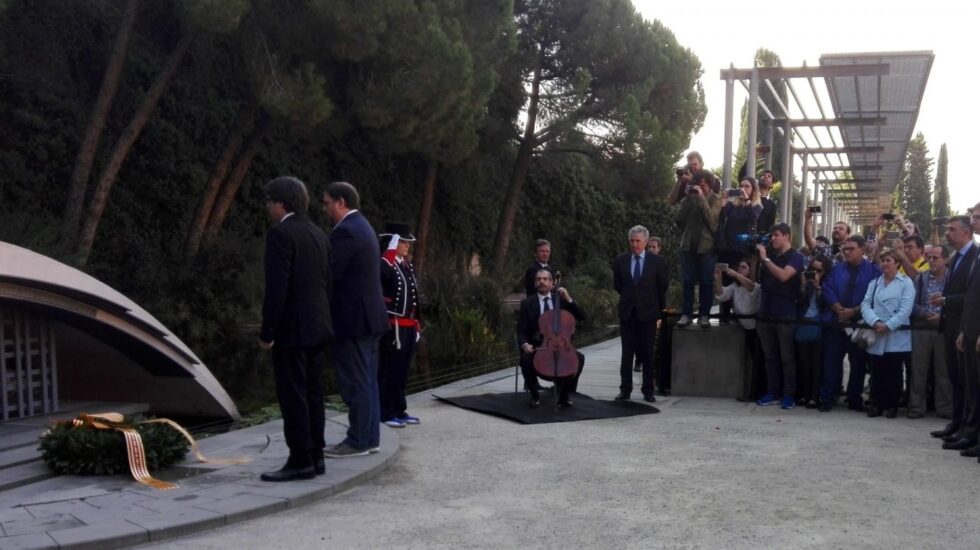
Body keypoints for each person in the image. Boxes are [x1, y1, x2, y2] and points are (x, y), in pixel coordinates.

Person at [257, 176, 333, 482]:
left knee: (293, 395)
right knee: (314, 393)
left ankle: (300, 459)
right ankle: (316, 456)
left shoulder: (280, 234)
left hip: (293, 328)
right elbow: (326, 282)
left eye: (269, 201)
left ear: (281, 203)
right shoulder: (318, 234)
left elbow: (277, 288)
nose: (267, 207)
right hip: (319, 326)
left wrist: (267, 331)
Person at [321, 181, 389, 458]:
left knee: (356, 382)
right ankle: (369, 437)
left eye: (326, 203)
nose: (324, 208)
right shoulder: (363, 226)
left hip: (354, 320)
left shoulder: (347, 232)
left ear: (340, 202)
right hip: (369, 319)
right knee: (368, 382)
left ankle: (358, 440)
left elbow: (329, 274)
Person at [930, 216, 979, 449]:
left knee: (968, 381)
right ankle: (957, 423)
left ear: (967, 233)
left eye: (952, 229)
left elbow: (973, 296)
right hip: (952, 327)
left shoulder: (974, 257)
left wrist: (947, 300)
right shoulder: (955, 258)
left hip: (966, 327)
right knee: (956, 378)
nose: (947, 233)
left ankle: (969, 429)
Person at [817, 235, 881, 412]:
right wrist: (839, 309)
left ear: (862, 249)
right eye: (845, 249)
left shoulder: (873, 271)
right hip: (836, 323)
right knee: (831, 362)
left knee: (858, 364)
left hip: (859, 324)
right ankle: (828, 397)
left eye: (851, 249)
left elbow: (875, 295)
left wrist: (853, 311)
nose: (847, 252)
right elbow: (827, 288)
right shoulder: (836, 269)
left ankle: (854, 398)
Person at [613, 225, 669, 402]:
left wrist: (659, 311)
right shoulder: (621, 260)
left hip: (648, 314)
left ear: (646, 242)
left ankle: (648, 390)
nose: (635, 244)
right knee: (627, 354)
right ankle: (625, 389)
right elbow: (618, 285)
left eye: (638, 241)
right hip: (628, 313)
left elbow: (662, 286)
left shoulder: (657, 262)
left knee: (647, 354)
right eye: (632, 241)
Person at [754, 223, 805, 409]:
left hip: (785, 315)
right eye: (771, 235)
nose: (772, 239)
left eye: (776, 235)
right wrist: (758, 259)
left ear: (787, 236)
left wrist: (766, 260)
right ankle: (772, 391)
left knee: (787, 358)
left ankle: (789, 394)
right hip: (765, 314)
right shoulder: (769, 256)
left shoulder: (797, 257)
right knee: (770, 357)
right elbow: (756, 280)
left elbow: (784, 276)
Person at [518, 269, 586, 408]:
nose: (541, 281)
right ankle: (534, 396)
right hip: (538, 347)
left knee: (579, 358)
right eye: (538, 279)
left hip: (561, 346)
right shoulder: (527, 303)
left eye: (545, 279)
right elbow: (521, 331)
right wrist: (525, 344)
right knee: (525, 360)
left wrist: (569, 299)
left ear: (552, 282)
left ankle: (564, 396)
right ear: (535, 283)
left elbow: (582, 316)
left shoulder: (561, 300)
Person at [860, 248, 915, 418]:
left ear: (897, 263)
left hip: (895, 333)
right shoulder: (874, 283)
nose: (885, 264)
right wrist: (875, 322)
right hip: (876, 331)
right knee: (877, 371)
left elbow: (906, 310)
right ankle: (876, 403)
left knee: (894, 372)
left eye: (888, 261)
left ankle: (891, 405)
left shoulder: (906, 283)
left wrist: (888, 325)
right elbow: (865, 304)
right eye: (883, 261)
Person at [377, 222, 422, 429]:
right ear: (393, 242)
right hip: (392, 326)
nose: (407, 246)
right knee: (389, 370)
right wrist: (388, 254)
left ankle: (399, 408)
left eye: (407, 242)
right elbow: (381, 277)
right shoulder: (386, 263)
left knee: (402, 370)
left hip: (408, 325)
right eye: (403, 242)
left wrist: (417, 323)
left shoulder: (404, 264)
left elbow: (413, 297)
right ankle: (385, 412)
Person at [909, 245, 953, 419]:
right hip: (922, 327)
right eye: (930, 258)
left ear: (946, 259)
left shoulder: (953, 279)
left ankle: (945, 408)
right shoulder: (920, 279)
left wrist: (942, 315)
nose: (931, 261)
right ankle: (916, 407)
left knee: (944, 370)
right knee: (918, 369)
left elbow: (958, 301)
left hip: (944, 328)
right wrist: (926, 313)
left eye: (936, 258)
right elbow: (910, 304)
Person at [673, 169, 722, 327]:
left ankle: (704, 315)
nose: (700, 188)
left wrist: (701, 199)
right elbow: (679, 219)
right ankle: (686, 314)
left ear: (709, 185)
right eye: (697, 185)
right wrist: (687, 199)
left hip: (706, 247)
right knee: (687, 281)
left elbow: (713, 222)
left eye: (703, 186)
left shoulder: (716, 199)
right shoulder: (690, 197)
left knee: (706, 281)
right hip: (688, 245)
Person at [951, 206, 980, 457]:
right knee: (972, 386)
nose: (974, 221)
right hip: (969, 329)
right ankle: (970, 433)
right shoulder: (977, 255)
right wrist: (963, 330)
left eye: (978, 217)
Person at [713, 257, 763, 400]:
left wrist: (735, 274)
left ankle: (756, 392)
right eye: (738, 267)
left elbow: (751, 287)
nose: (740, 269)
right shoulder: (735, 287)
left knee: (757, 362)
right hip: (744, 327)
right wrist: (718, 278)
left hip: (756, 327)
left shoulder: (755, 285)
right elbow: (721, 295)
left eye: (743, 267)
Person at [715, 177, 762, 323]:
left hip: (744, 249)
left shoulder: (756, 206)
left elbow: (753, 218)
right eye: (741, 186)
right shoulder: (733, 205)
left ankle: (740, 315)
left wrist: (747, 199)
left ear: (753, 189)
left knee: (742, 280)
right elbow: (721, 216)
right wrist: (724, 199)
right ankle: (724, 315)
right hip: (728, 247)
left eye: (747, 186)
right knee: (727, 279)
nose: (743, 189)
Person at [795, 256, 832, 408]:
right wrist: (803, 286)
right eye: (812, 269)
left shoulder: (828, 283)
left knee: (817, 363)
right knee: (803, 362)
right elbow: (798, 302)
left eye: (819, 270)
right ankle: (803, 394)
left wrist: (818, 287)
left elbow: (826, 304)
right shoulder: (805, 282)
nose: (815, 273)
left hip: (819, 325)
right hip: (804, 324)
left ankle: (814, 395)